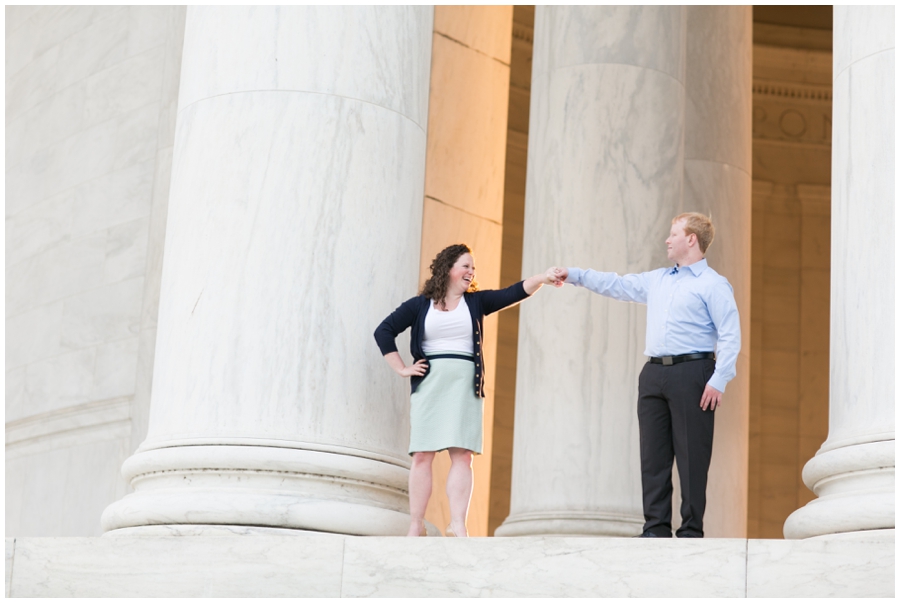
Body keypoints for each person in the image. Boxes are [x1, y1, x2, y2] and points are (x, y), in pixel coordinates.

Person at [552, 212, 740, 538]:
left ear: (691, 239)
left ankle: (691, 530)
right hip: (653, 374)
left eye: (674, 234)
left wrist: (718, 379)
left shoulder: (713, 284)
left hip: (693, 373)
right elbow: (618, 284)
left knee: (692, 456)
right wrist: (574, 275)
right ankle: (655, 528)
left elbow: (730, 334)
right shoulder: (659, 279)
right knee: (653, 456)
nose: (667, 240)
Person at [375, 243, 560, 537]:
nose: (471, 271)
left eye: (472, 267)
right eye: (465, 266)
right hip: (430, 384)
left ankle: (458, 524)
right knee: (422, 455)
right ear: (448, 269)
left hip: (465, 385)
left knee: (462, 455)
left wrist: (541, 278)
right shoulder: (419, 304)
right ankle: (415, 525)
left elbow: (512, 293)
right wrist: (402, 368)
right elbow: (383, 331)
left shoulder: (475, 302)